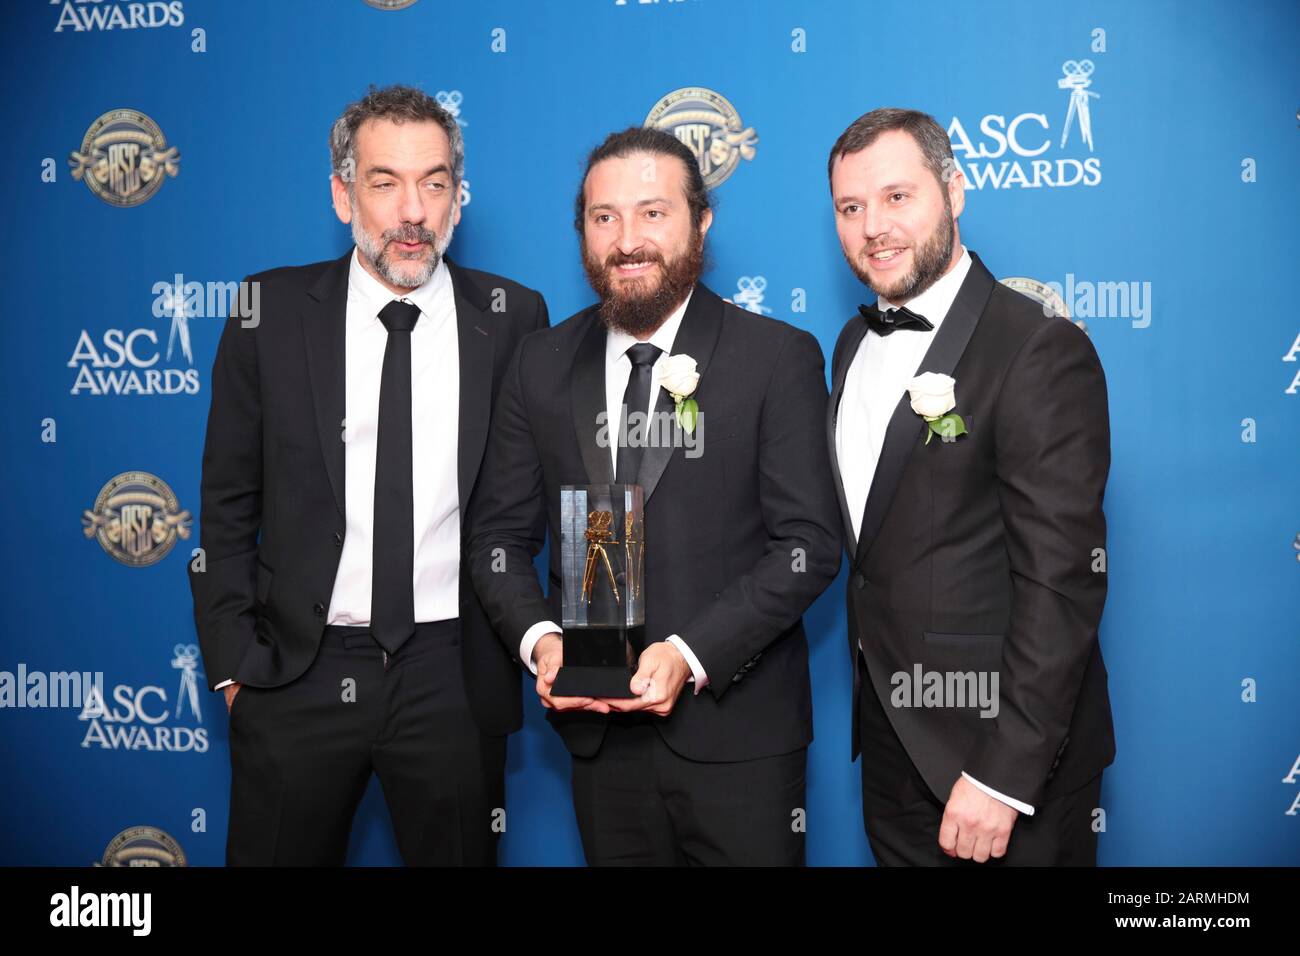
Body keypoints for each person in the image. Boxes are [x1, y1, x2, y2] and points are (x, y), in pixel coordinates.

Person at [188, 84, 548, 865]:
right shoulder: (267, 313)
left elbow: (524, 508)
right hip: (296, 673)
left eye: (435, 182)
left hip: (453, 673)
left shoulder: (514, 316)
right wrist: (236, 672)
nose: (412, 210)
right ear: (343, 195)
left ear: (459, 197)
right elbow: (223, 510)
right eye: (385, 182)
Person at [468, 126, 841, 865]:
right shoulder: (538, 363)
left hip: (738, 742)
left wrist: (688, 652)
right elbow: (498, 541)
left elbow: (808, 547)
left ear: (701, 223)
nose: (626, 239)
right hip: (600, 747)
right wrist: (542, 643)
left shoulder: (776, 358)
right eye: (604, 217)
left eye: (652, 213)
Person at [826, 107, 1115, 865]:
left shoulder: (1036, 347)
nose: (873, 228)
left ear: (955, 191)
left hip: (1006, 762)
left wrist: (1004, 776)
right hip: (891, 748)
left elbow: (1062, 581)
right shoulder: (852, 343)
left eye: (897, 198)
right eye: (850, 208)